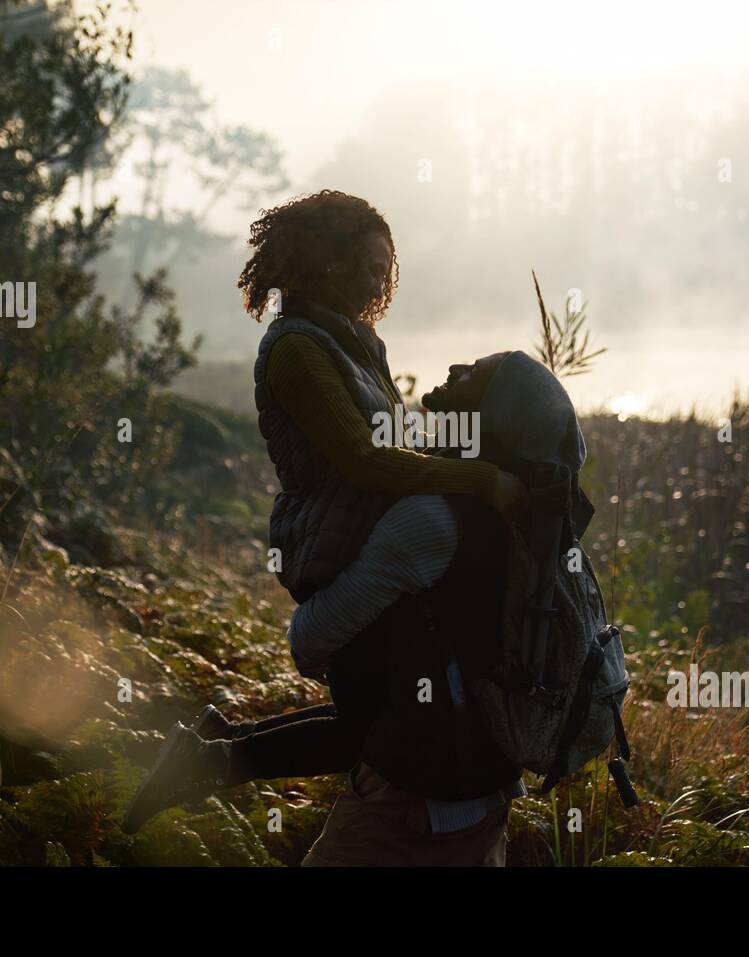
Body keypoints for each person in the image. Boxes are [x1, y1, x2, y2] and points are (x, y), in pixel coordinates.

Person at [121, 191, 526, 835]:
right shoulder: (296, 351)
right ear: (323, 260)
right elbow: (362, 460)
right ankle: (208, 761)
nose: (376, 278)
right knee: (373, 735)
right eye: (365, 262)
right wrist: (483, 482)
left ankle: (210, 753)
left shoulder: (358, 342)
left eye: (384, 265)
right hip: (332, 550)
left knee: (373, 722)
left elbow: (392, 443)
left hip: (373, 544)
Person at [124, 351, 594, 868]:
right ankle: (216, 756)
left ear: (492, 416)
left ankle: (214, 757)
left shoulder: (432, 520)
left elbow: (310, 642)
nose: (457, 367)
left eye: (476, 373)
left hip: (410, 814)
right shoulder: (531, 526)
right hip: (482, 796)